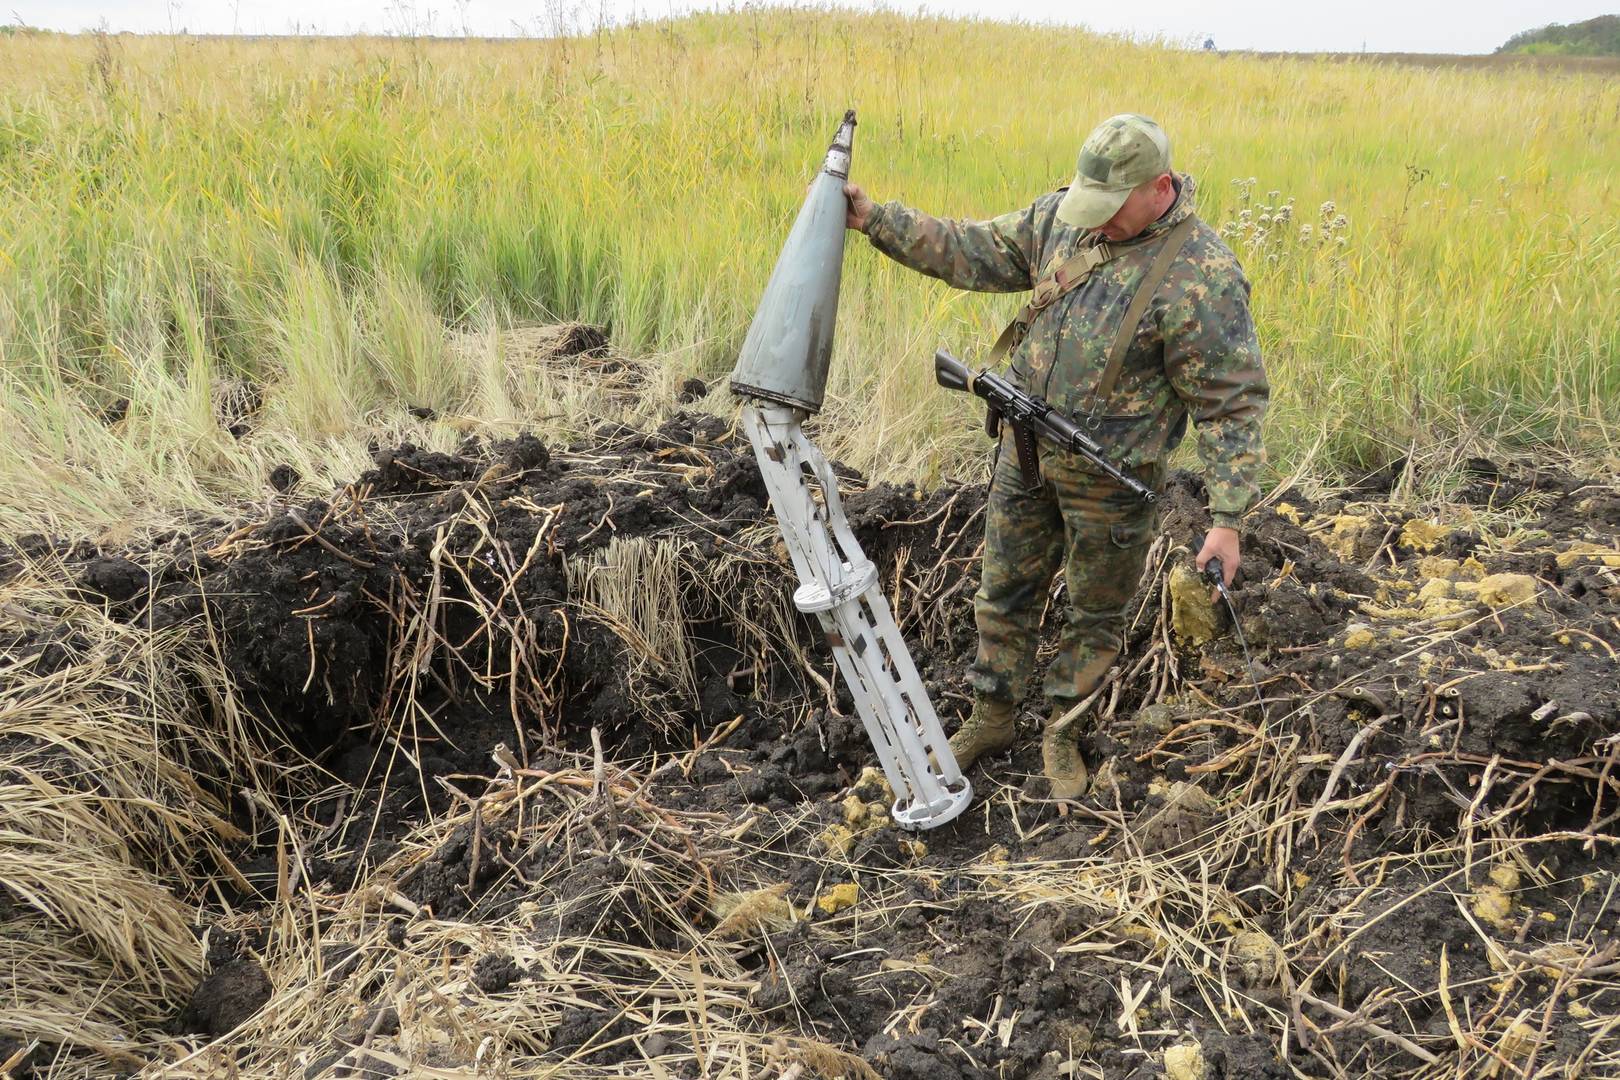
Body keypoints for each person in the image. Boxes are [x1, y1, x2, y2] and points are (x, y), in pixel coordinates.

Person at [843, 114, 1268, 801]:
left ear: (1160, 188)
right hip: (1026, 451)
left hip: (1112, 484)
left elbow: (1231, 407)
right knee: (1003, 591)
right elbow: (971, 250)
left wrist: (1228, 518)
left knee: (1094, 614)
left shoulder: (1203, 277)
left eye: (1111, 209)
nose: (1092, 222)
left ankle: (1061, 731)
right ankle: (992, 718)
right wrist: (876, 220)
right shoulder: (1060, 220)